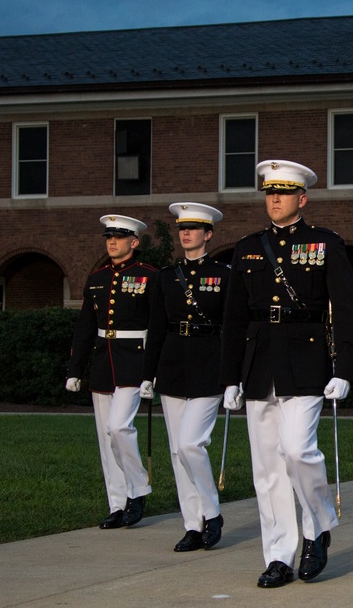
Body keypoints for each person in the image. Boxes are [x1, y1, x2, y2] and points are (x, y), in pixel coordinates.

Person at [219, 159, 353, 589]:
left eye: (283, 192)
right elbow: (234, 320)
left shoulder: (325, 244)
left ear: (302, 198)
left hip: (307, 360)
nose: (274, 199)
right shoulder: (246, 248)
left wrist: (345, 368)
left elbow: (349, 311)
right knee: (267, 470)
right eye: (269, 192)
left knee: (298, 451)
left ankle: (317, 528)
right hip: (259, 364)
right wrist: (230, 378)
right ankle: (278, 555)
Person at [140, 202, 229, 552]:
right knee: (178, 451)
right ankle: (192, 524)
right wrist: (148, 375)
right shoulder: (165, 277)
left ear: (208, 234)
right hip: (173, 364)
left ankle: (212, 512)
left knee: (191, 444)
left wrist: (232, 375)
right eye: (181, 228)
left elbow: (232, 327)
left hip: (210, 363)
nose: (186, 233)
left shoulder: (224, 275)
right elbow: (157, 328)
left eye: (193, 229)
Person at [66, 214, 156, 529]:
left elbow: (157, 327)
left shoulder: (148, 276)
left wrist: (152, 371)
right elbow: (85, 327)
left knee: (119, 428)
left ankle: (138, 490)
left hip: (135, 361)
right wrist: (75, 369)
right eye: (109, 237)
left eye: (119, 237)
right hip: (103, 361)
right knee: (106, 439)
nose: (112, 242)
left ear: (134, 242)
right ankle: (117, 504)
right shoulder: (96, 278)